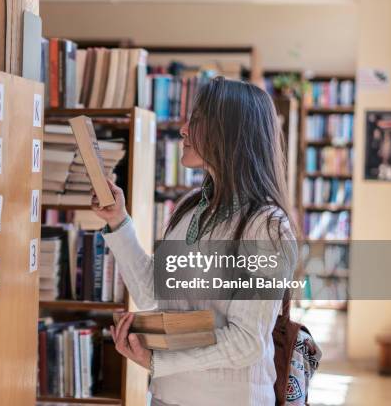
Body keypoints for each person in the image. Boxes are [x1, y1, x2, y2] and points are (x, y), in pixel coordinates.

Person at [92, 76, 298, 406]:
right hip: (165, 395)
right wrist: (118, 221)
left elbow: (247, 341)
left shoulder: (266, 226)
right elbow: (150, 292)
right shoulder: (192, 206)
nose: (183, 130)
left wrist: (160, 361)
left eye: (197, 121)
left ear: (231, 133)